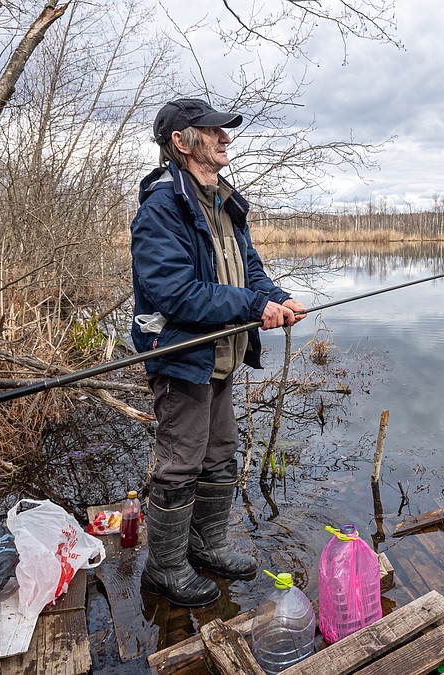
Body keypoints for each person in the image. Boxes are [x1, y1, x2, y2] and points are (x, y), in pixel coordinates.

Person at [129, 98, 305, 607]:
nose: (225, 137)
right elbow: (176, 294)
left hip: (221, 357)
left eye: (225, 130)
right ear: (181, 142)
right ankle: (165, 567)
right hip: (182, 358)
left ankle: (207, 544)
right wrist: (253, 303)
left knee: (221, 455)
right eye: (213, 130)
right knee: (180, 464)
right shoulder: (162, 208)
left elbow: (250, 268)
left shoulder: (226, 200)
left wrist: (273, 296)